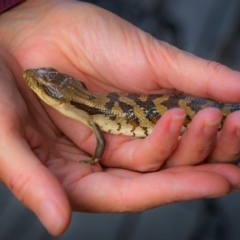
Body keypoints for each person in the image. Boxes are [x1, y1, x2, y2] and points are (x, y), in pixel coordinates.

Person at [1, 0, 240, 236]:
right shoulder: (85, 105)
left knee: (214, 119)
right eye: (43, 85)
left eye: (41, 85)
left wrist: (94, 158)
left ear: (61, 98)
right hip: (171, 108)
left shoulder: (89, 117)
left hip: (176, 110)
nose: (32, 78)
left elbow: (101, 143)